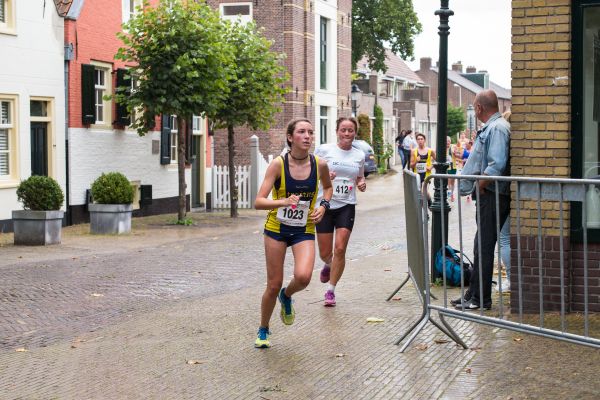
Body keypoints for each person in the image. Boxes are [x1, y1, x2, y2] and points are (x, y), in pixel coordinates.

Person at [254, 118, 333, 348]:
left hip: (304, 229)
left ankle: (286, 296)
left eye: (310, 132)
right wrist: (283, 202)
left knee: (303, 277)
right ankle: (263, 329)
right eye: (302, 132)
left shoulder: (320, 165)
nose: (307, 136)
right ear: (291, 137)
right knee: (273, 283)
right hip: (276, 229)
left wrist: (323, 207)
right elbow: (258, 202)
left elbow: (327, 188)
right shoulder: (278, 165)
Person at [453, 90, 511, 310]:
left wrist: (480, 187)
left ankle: (480, 300)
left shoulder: (496, 129)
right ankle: (473, 294)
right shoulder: (495, 127)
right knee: (480, 245)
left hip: (493, 194)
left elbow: (495, 165)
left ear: (478, 108)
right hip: (491, 193)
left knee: (484, 246)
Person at [315, 117, 366, 307]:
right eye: (343, 130)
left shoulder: (359, 155)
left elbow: (359, 177)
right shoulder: (324, 150)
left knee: (340, 249)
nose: (347, 133)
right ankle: (328, 264)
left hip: (347, 205)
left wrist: (361, 183)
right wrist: (324, 176)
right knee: (325, 252)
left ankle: (331, 291)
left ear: (355, 133)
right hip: (325, 205)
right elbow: (311, 172)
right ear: (337, 131)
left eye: (350, 130)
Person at [446, 136, 458, 202]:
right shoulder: (442, 148)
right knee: (449, 181)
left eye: (448, 141)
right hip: (447, 167)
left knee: (453, 181)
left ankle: (452, 194)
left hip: (453, 166)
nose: (447, 142)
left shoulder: (453, 146)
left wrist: (455, 153)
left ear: (450, 142)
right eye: (446, 141)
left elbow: (457, 154)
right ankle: (449, 195)